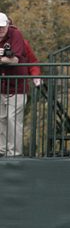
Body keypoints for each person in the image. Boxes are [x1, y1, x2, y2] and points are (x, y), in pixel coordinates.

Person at [0, 12, 28, 157]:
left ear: (7, 25)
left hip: (17, 86)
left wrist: (3, 59)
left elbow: (15, 60)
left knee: (13, 119)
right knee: (1, 119)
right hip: (2, 86)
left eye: (2, 27)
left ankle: (14, 154)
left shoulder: (16, 34)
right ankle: (2, 151)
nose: (0, 31)